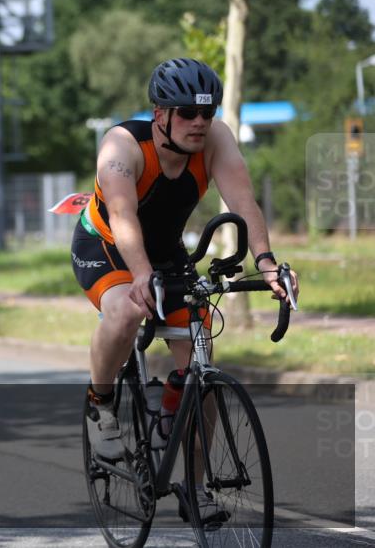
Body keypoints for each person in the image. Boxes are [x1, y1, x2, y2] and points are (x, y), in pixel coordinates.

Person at [74, 58, 300, 517]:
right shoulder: (122, 146)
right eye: (186, 113)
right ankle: (101, 403)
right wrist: (140, 276)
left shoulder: (215, 139)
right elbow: (122, 217)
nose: (199, 123)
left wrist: (267, 263)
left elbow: (243, 201)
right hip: (108, 246)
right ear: (160, 114)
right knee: (125, 312)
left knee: (203, 370)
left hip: (167, 251)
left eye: (207, 112)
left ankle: (195, 488)